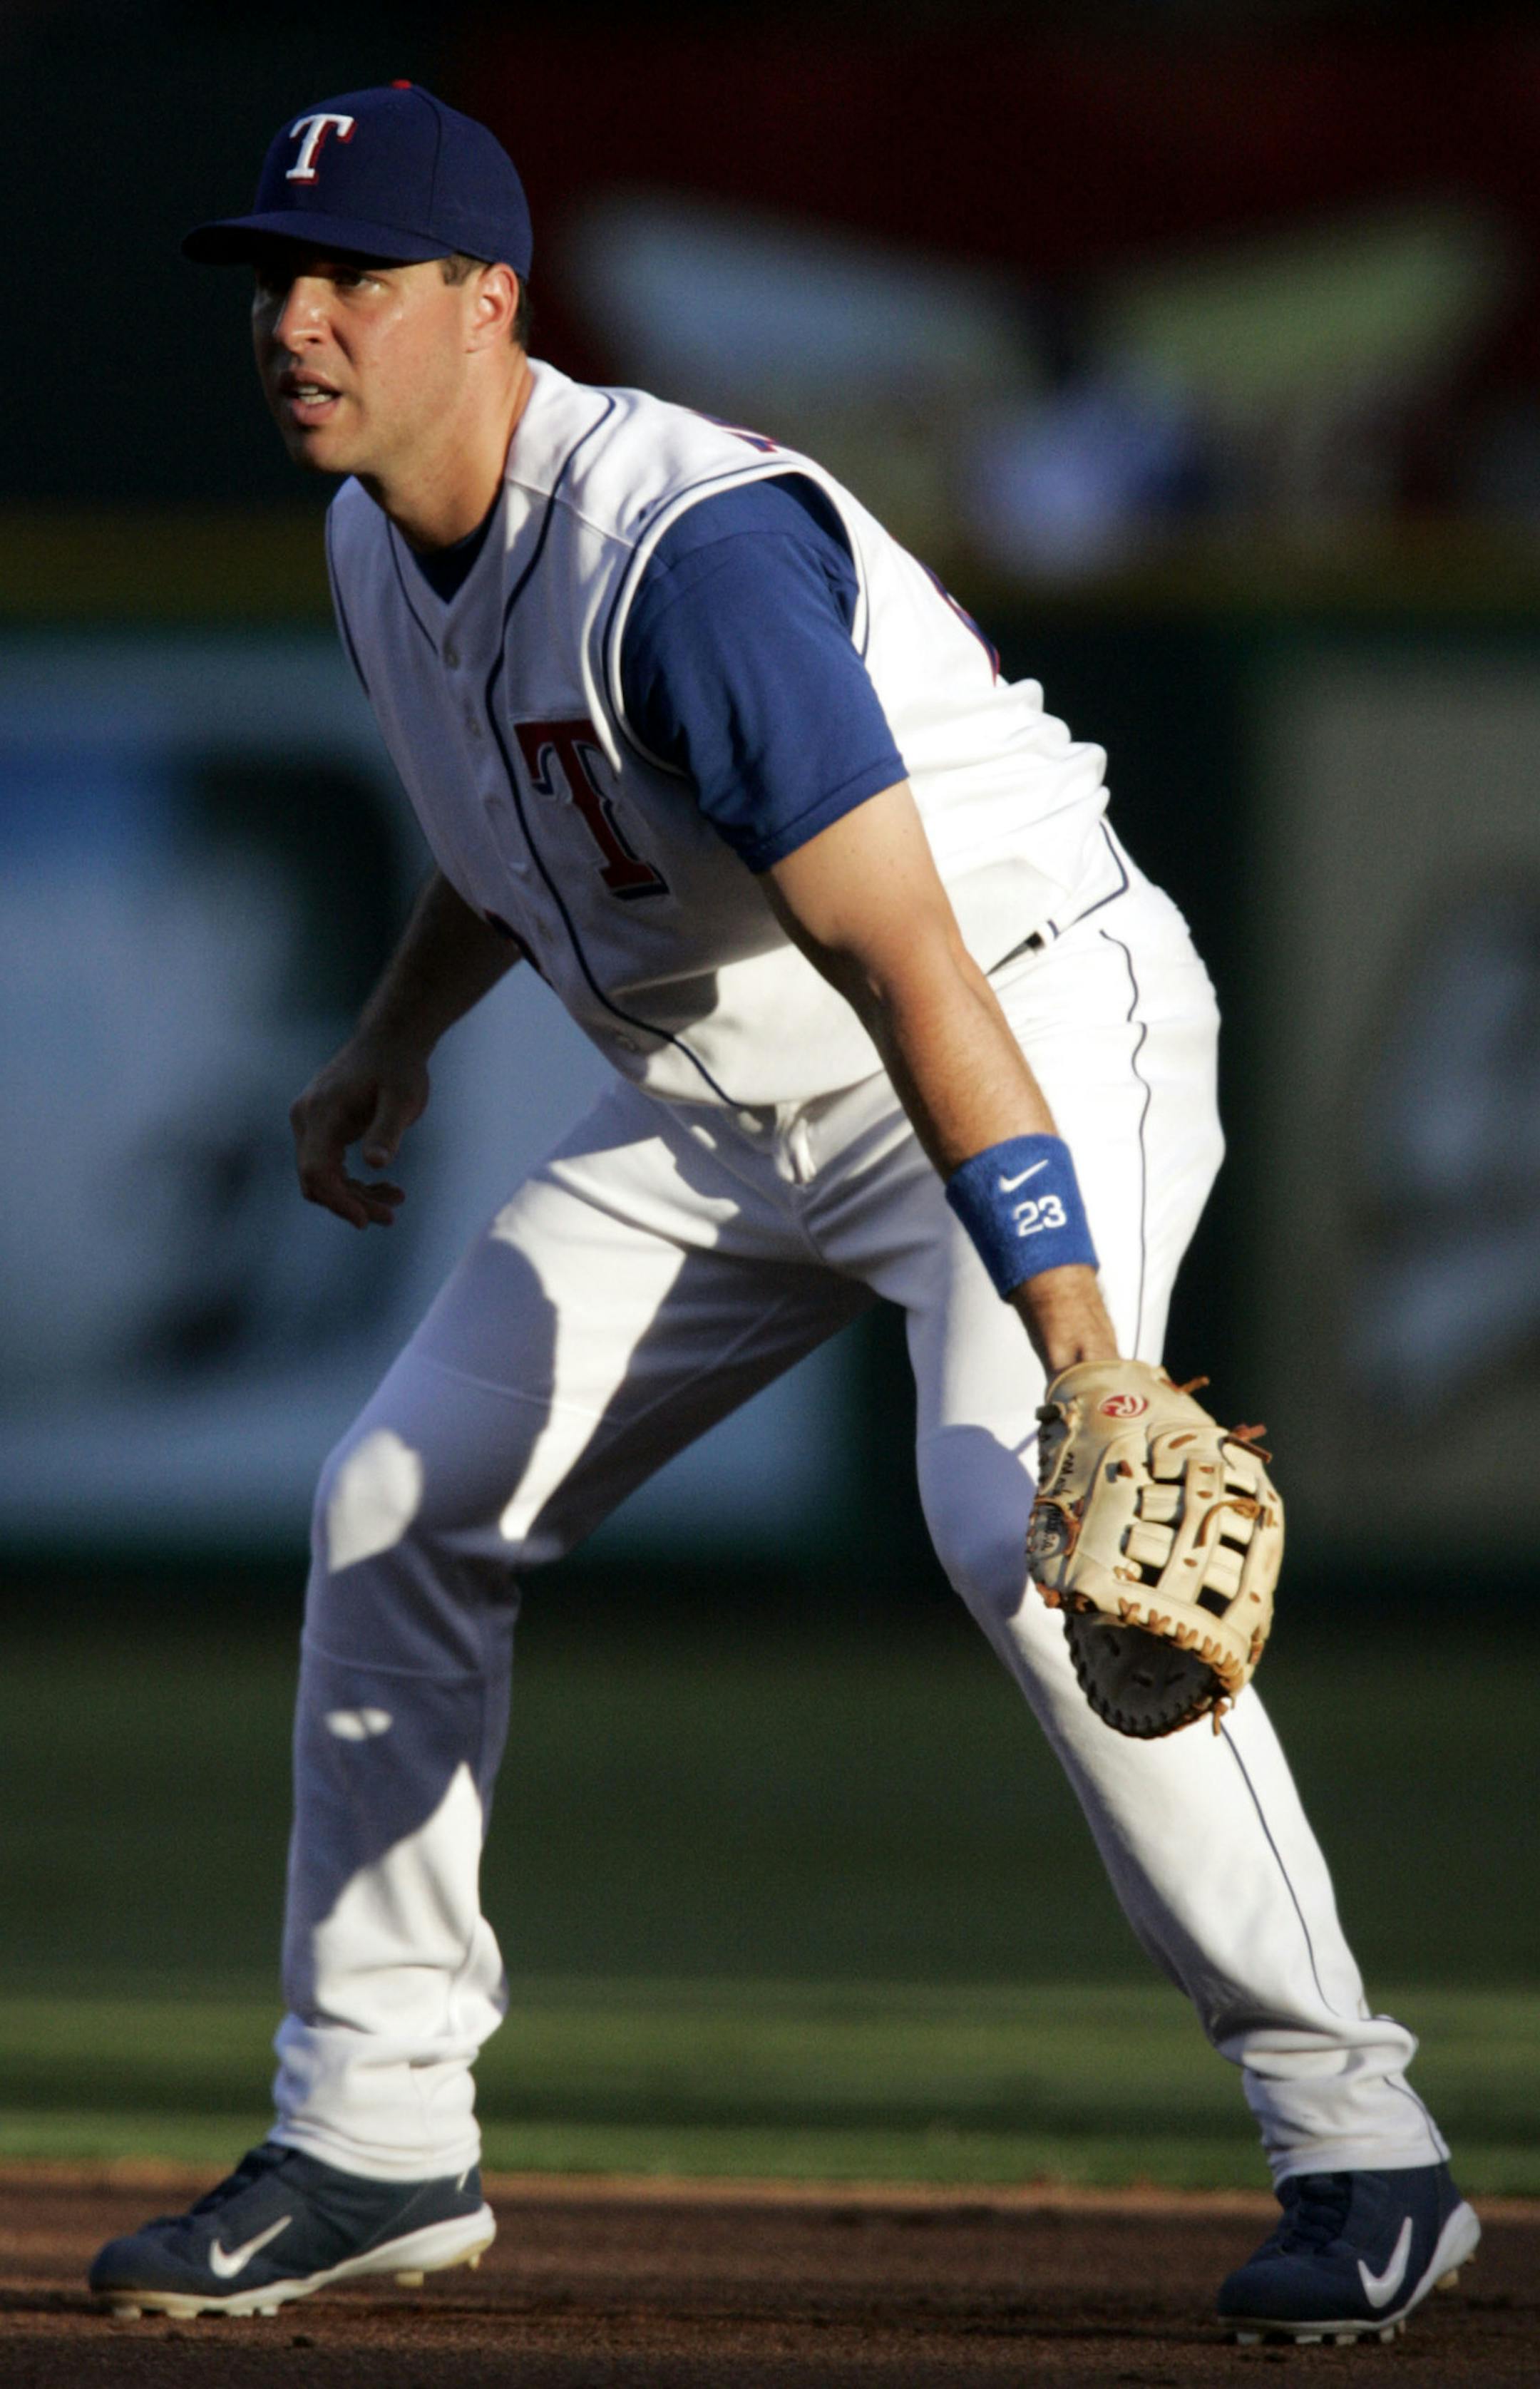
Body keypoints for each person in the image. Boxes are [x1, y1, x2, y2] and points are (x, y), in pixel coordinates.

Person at [91, 83, 1476, 2343]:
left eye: (350, 278)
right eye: (276, 279)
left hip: (1019, 1012)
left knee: (1024, 1522)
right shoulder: (378, 539)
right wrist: (389, 1035)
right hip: (737, 1101)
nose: (299, 322)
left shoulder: (685, 552)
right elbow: (507, 815)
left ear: (488, 303)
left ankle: (1365, 2151)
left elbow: (912, 964)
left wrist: (1089, 1362)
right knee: (398, 1503)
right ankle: (375, 2136)